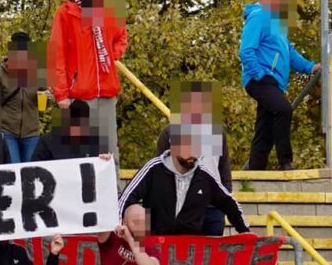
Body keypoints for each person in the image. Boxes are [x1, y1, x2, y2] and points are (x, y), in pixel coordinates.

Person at [47, 0, 127, 156]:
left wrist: (112, 54)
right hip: (78, 95)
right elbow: (56, 54)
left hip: (106, 93)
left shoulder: (109, 11)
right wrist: (61, 93)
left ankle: (113, 187)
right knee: (77, 152)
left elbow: (121, 37)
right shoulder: (66, 12)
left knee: (109, 152)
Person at [240, 0, 319, 170]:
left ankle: (256, 171)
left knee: (264, 128)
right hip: (260, 79)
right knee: (284, 109)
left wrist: (310, 67)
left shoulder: (278, 24)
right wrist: (260, 74)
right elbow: (246, 50)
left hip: (274, 82)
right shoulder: (259, 16)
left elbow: (289, 53)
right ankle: (285, 162)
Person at [120, 123, 249, 237]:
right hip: (156, 246)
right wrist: (117, 229)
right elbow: (126, 198)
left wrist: (246, 232)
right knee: (135, 211)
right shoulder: (153, 169)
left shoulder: (204, 175)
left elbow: (229, 203)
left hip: (189, 249)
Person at [157, 85, 235, 236]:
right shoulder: (169, 133)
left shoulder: (217, 133)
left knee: (211, 258)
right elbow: (159, 172)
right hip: (180, 209)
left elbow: (224, 170)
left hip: (212, 210)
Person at [0, 32, 41, 163]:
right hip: (6, 130)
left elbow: (45, 98)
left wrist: (47, 96)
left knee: (30, 169)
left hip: (32, 131)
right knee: (13, 167)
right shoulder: (0, 74)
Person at [35, 98, 105, 161]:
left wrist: (105, 160)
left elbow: (98, 164)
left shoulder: (93, 141)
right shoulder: (47, 140)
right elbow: (34, 165)